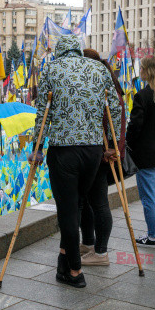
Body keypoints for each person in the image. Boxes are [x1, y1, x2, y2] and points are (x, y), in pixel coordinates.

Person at [30, 35, 121, 288]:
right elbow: (114, 106)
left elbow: (42, 112)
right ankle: (63, 261)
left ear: (59, 51)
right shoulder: (98, 68)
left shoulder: (51, 68)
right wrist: (112, 145)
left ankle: (75, 271)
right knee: (78, 204)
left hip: (63, 151)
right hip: (92, 150)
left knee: (68, 212)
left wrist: (36, 147)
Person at [79, 49, 127, 266]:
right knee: (88, 201)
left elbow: (115, 120)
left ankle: (101, 253)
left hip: (102, 154)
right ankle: (89, 244)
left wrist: (114, 147)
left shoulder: (108, 90)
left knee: (99, 202)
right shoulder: (102, 85)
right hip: (95, 152)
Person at [126, 56, 155, 248]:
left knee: (148, 196)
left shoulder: (142, 96)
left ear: (148, 71)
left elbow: (135, 125)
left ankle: (153, 236)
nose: (141, 71)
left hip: (145, 153)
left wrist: (128, 142)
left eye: (143, 68)